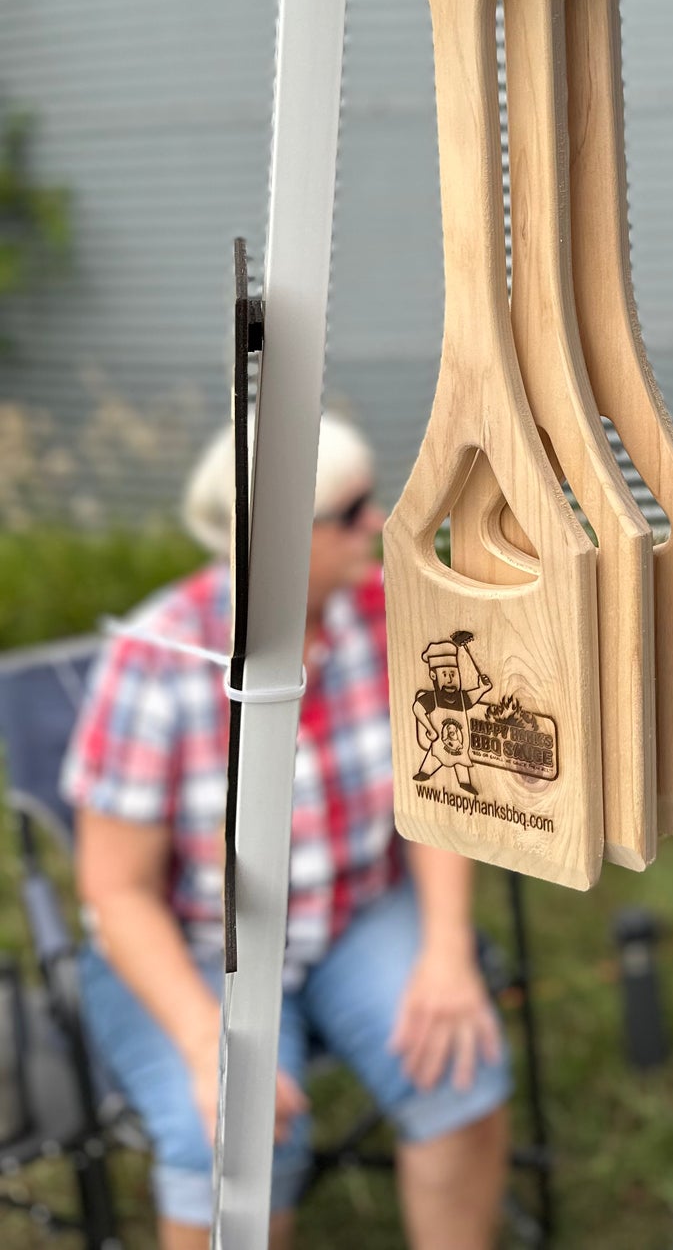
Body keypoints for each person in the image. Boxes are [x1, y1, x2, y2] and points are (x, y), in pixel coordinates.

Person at [62, 415, 510, 1250]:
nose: (375, 522)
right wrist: (205, 1038)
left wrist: (447, 949)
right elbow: (115, 889)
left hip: (354, 913)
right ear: (271, 540)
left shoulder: (389, 615)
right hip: (201, 944)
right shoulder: (157, 660)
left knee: (463, 1069)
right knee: (232, 1136)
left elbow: (441, 790)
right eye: (348, 512)